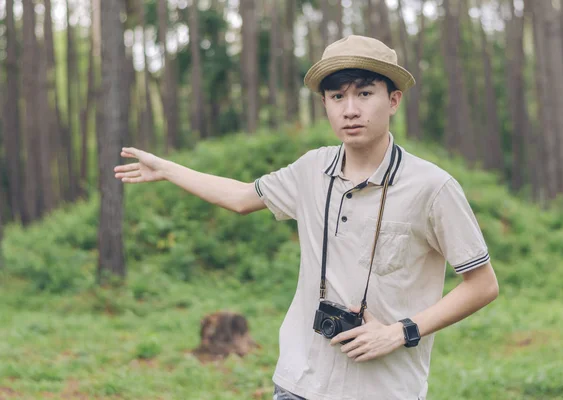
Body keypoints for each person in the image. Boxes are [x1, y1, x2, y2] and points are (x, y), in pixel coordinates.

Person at [114, 35, 499, 400]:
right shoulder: (311, 169)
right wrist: (167, 169)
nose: (350, 109)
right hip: (299, 380)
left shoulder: (433, 187)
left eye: (365, 93)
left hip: (384, 388)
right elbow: (240, 196)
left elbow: (482, 285)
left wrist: (401, 332)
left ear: (394, 100)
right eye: (337, 96)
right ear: (326, 105)